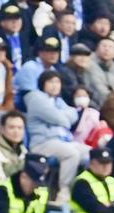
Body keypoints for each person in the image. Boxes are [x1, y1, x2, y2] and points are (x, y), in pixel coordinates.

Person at [25, 69, 90, 203]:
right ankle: (64, 191)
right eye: (51, 82)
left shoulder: (58, 101)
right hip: (42, 143)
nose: (55, 85)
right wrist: (64, 118)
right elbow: (61, 119)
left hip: (63, 141)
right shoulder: (36, 98)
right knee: (71, 154)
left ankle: (84, 190)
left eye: (57, 82)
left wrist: (63, 117)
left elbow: (73, 114)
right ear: (43, 84)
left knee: (89, 153)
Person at [13, 35, 61, 104]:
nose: (53, 54)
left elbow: (56, 99)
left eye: (56, 51)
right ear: (40, 53)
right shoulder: (30, 67)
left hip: (45, 105)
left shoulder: (53, 70)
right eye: (49, 51)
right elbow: (30, 96)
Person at [85, 37, 114, 108]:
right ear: (96, 49)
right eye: (104, 46)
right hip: (95, 105)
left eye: (110, 47)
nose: (107, 49)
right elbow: (99, 90)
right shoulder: (88, 64)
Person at [0, 3, 29, 73]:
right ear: (2, 22)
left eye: (17, 18)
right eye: (10, 19)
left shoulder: (25, 37)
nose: (15, 22)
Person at [0, 109, 27, 175]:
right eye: (11, 127)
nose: (16, 131)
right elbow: (7, 173)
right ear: (2, 129)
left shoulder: (22, 148)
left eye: (20, 128)